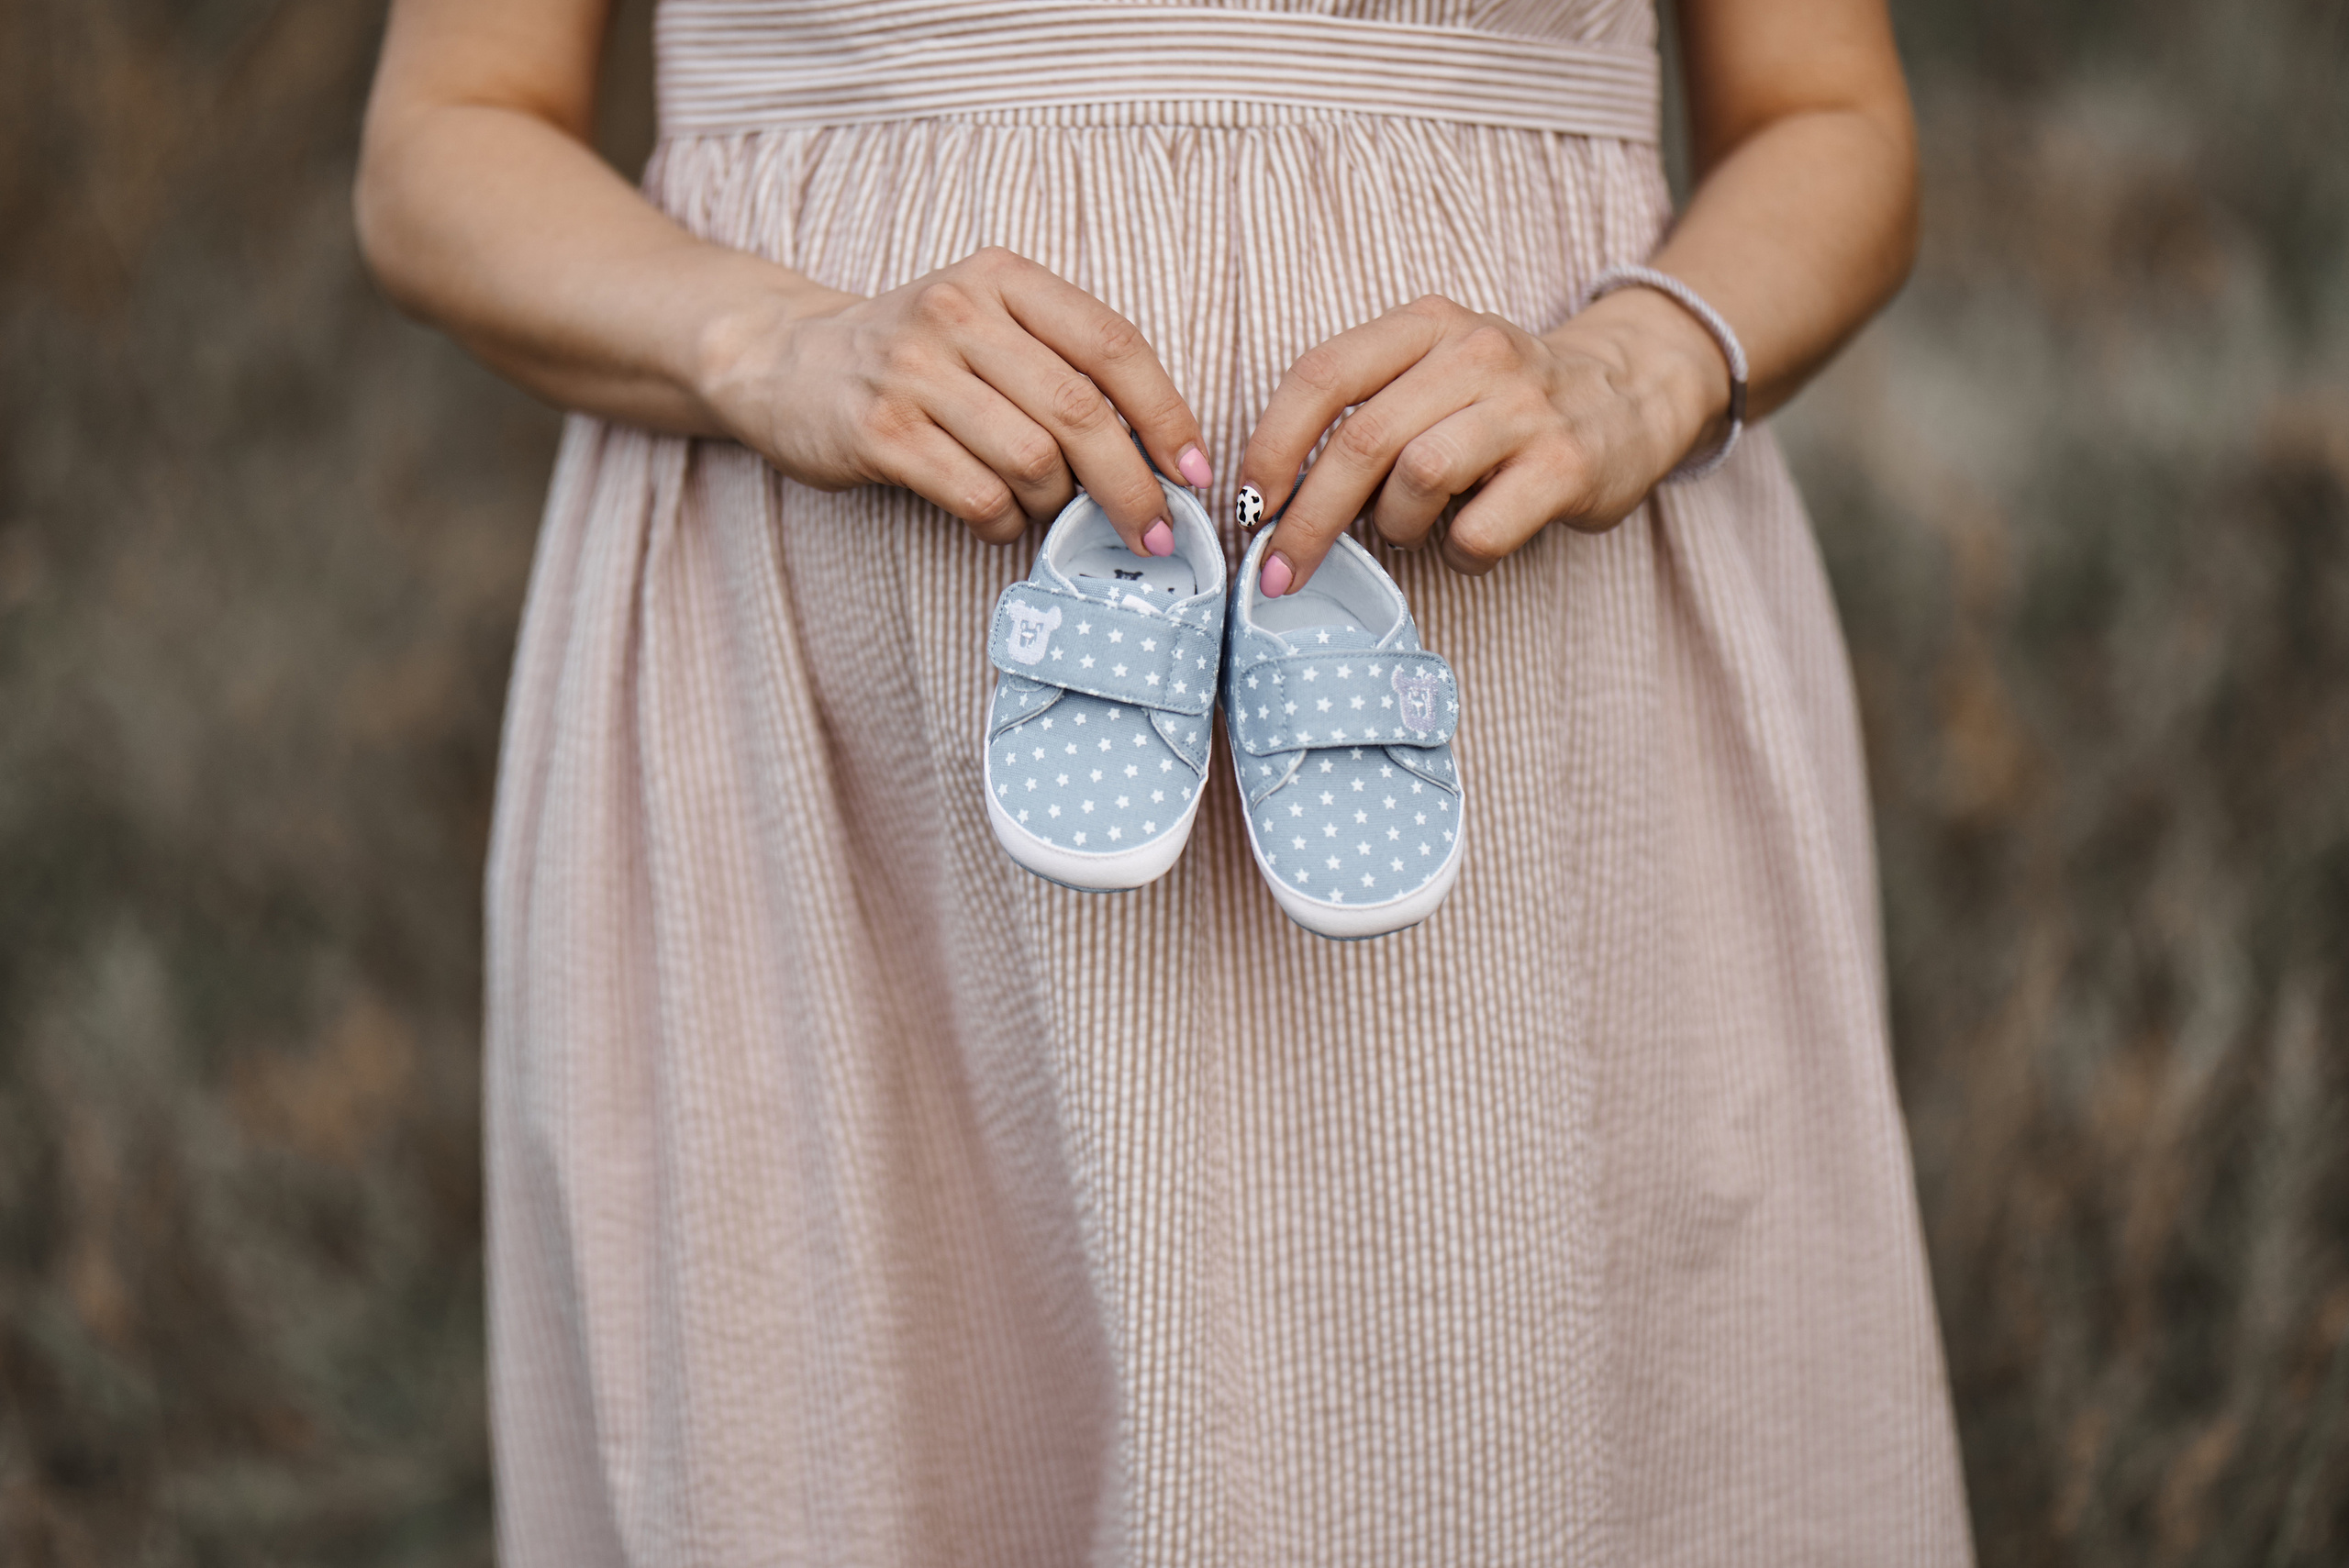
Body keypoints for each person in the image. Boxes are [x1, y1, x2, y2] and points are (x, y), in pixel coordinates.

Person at [356, 0, 1974, 1561]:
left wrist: (1639, 367)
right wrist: (769, 339)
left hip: (1520, 685)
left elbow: (1829, 121)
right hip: (841, 748)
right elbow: (446, 141)